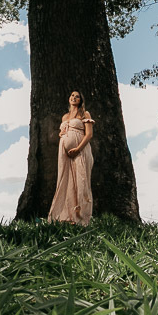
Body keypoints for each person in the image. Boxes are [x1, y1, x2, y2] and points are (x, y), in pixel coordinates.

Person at [48, 90, 94, 225]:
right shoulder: (65, 117)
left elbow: (89, 134)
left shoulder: (84, 114)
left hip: (81, 151)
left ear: (81, 100)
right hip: (65, 154)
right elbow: (62, 133)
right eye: (72, 95)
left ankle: (81, 217)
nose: (74, 98)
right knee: (66, 182)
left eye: (77, 96)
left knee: (81, 182)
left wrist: (78, 148)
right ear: (69, 99)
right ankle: (68, 216)